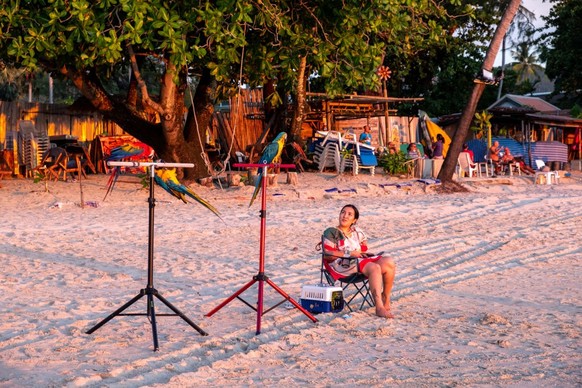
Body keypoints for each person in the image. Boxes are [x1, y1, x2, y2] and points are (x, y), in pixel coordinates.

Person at [322, 204, 396, 318]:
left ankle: (385, 297)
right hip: (340, 265)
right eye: (343, 212)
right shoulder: (331, 232)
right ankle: (379, 307)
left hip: (358, 262)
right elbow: (327, 255)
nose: (345, 216)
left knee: (389, 261)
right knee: (374, 267)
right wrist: (349, 253)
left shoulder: (357, 232)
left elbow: (363, 248)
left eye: (349, 214)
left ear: (354, 220)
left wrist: (361, 253)